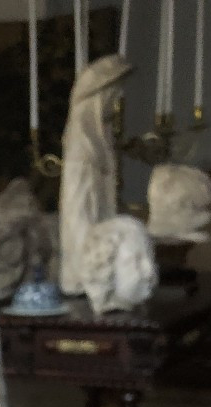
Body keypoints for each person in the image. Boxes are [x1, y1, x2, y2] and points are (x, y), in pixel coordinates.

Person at [59, 54, 132, 295]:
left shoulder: (101, 132)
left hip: (101, 248)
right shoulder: (82, 141)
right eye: (113, 91)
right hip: (87, 262)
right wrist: (89, 267)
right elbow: (78, 210)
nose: (117, 98)